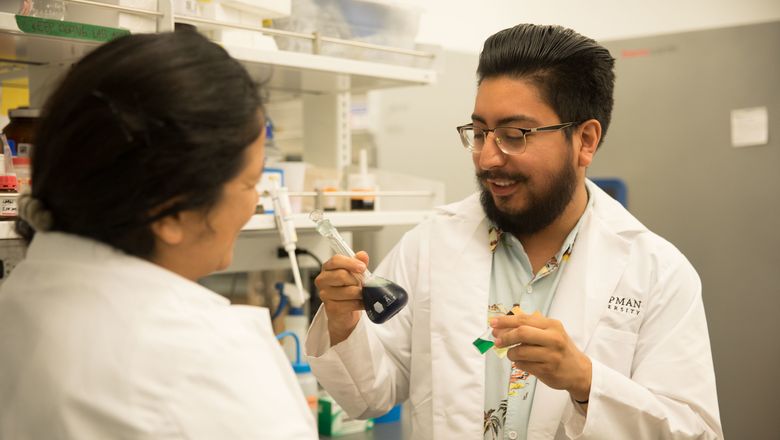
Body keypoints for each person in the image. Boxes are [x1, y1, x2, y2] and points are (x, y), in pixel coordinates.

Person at [306, 23, 722, 439]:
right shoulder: (430, 245)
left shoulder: (656, 272)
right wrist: (344, 321)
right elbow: (368, 397)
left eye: (513, 135)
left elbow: (695, 431)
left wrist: (586, 382)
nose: (487, 158)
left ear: (585, 141)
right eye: (481, 133)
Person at [0, 31, 317, 439]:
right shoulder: (204, 356)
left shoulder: (15, 304)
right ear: (171, 211)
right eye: (250, 182)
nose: (254, 201)